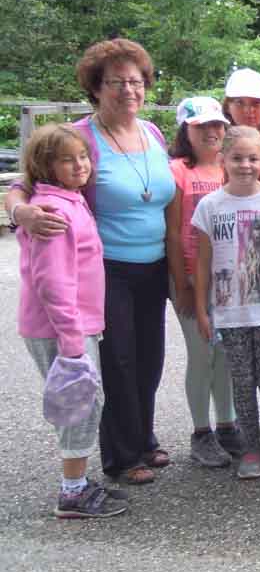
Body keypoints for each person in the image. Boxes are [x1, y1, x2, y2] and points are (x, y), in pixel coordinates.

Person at [8, 38, 177, 486]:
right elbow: (24, 186)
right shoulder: (80, 138)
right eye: (117, 83)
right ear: (96, 88)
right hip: (106, 270)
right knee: (118, 360)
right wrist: (20, 212)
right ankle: (121, 457)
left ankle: (142, 437)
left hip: (153, 266)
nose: (129, 91)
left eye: (137, 82)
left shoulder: (153, 133)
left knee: (149, 358)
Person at [17, 123, 124, 518]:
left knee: (86, 401)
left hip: (77, 325)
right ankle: (72, 492)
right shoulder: (55, 212)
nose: (80, 165)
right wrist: (72, 341)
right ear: (46, 165)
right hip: (62, 329)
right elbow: (52, 282)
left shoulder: (69, 199)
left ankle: (77, 481)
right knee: (80, 403)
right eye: (67, 159)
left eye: (83, 157)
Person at [192, 126, 260, 480]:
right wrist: (204, 309)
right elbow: (202, 261)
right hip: (229, 312)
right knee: (242, 382)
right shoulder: (210, 206)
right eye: (237, 158)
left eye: (253, 158)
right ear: (223, 160)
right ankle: (250, 447)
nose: (245, 165)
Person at [165, 96, 241, 468]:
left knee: (226, 354)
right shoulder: (179, 170)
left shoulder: (229, 168)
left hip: (228, 277)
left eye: (217, 125)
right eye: (202, 127)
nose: (212, 132)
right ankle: (201, 431)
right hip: (194, 276)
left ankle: (227, 424)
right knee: (201, 354)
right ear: (187, 131)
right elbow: (174, 231)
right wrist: (182, 282)